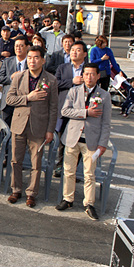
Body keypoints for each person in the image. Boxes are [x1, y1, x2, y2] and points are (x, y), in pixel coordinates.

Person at [57, 63, 111, 221]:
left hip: (92, 141)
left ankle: (89, 203)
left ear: (98, 76)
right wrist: (86, 112)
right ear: (83, 75)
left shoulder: (104, 95)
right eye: (86, 74)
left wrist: (103, 143)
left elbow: (106, 123)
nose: (89, 77)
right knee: (68, 171)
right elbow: (65, 111)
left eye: (93, 74)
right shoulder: (74, 91)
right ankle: (68, 199)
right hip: (72, 138)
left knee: (89, 174)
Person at [5, 45, 58, 208]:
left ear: (43, 60)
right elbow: (9, 100)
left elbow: (53, 107)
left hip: (39, 126)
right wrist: (28, 97)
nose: (32, 61)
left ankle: (31, 193)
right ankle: (16, 189)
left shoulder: (51, 80)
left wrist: (50, 130)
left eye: (36, 57)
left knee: (36, 163)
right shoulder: (19, 77)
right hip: (19, 124)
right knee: (15, 160)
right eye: (29, 58)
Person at [53, 40, 88, 177]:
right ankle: (60, 165)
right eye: (72, 50)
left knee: (78, 139)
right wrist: (71, 82)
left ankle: (75, 169)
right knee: (63, 138)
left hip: (81, 108)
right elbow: (55, 83)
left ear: (84, 54)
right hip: (64, 107)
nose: (74, 52)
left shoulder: (89, 70)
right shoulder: (63, 67)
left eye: (78, 50)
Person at [0, 36, 29, 125]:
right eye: (16, 46)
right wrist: (11, 77)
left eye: (21, 46)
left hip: (24, 101)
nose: (18, 48)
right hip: (7, 102)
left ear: (27, 47)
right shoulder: (7, 61)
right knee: (5, 130)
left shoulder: (31, 62)